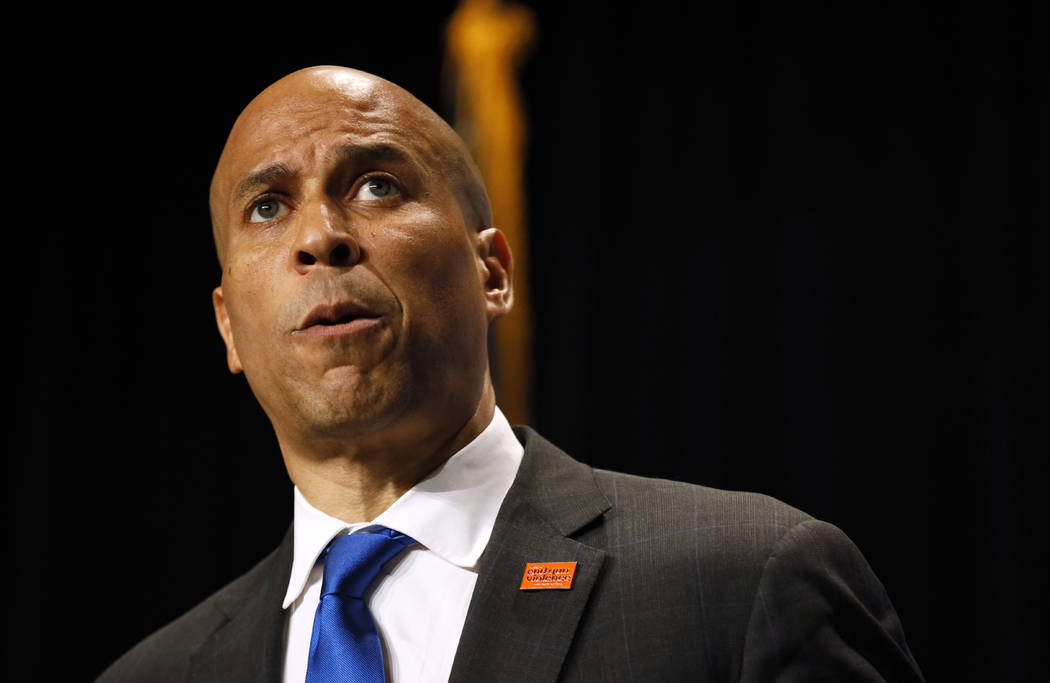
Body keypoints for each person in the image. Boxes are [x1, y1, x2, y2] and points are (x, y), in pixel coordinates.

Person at [97, 66, 924, 682]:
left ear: (492, 272)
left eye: (377, 184)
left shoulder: (744, 582)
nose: (321, 235)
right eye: (268, 206)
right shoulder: (154, 673)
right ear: (228, 324)